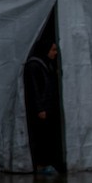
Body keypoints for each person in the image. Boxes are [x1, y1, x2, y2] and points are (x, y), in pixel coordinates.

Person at [23, 38, 62, 174]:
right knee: (41, 137)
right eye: (53, 50)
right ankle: (40, 164)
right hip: (41, 110)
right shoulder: (35, 66)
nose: (55, 53)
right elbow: (34, 90)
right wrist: (40, 109)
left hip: (48, 108)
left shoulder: (46, 65)